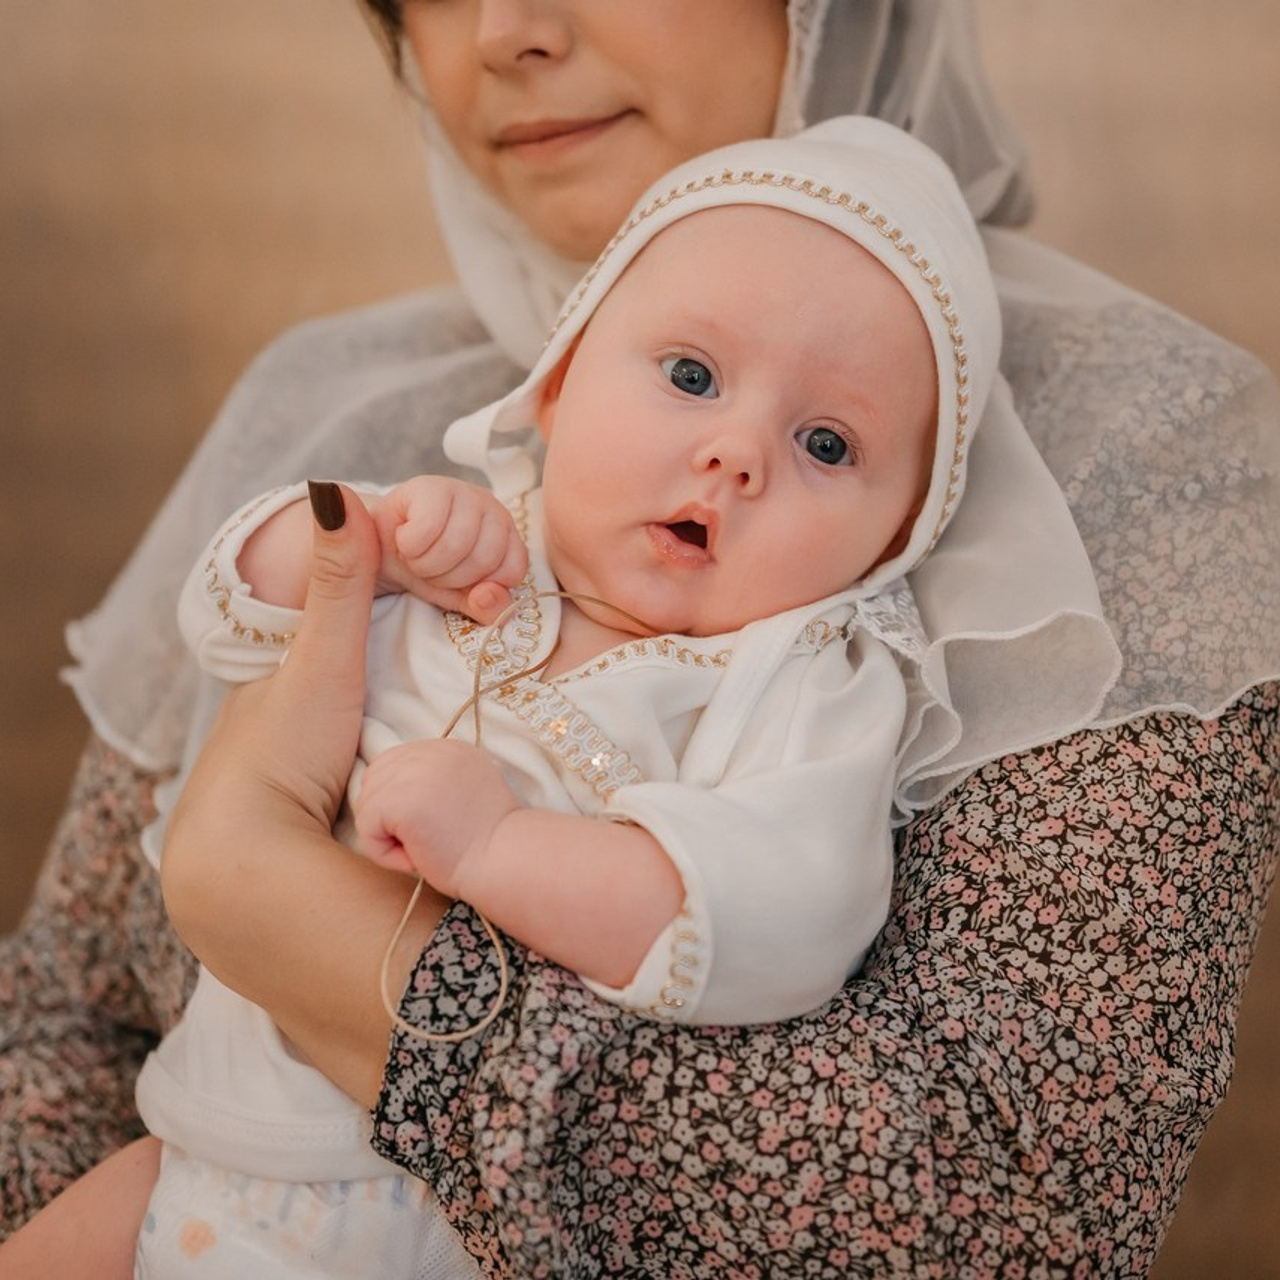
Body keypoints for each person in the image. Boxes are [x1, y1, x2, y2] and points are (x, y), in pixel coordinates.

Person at [1, 2, 1277, 1275]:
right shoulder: (350, 410)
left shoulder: (1142, 466)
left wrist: (306, 916)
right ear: (551, 388)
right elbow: (65, 1020)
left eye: (826, 446)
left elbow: (980, 1224)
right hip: (185, 1175)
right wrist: (342, 551)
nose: (502, 30)